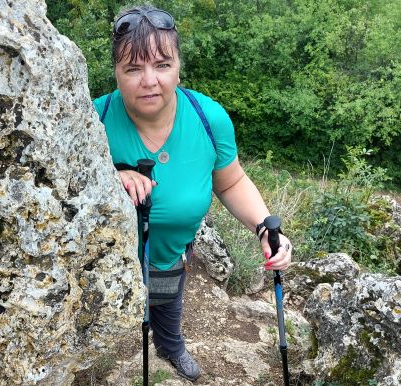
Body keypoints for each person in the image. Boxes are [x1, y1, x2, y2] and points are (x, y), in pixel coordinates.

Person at [93, 4, 293, 382]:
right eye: (133, 68)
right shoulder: (92, 119)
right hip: (100, 263)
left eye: (162, 65)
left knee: (167, 304)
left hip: (167, 255)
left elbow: (231, 182)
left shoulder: (208, 117)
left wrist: (264, 229)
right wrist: (112, 174)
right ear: (116, 72)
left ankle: (170, 346)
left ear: (179, 65)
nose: (149, 80)